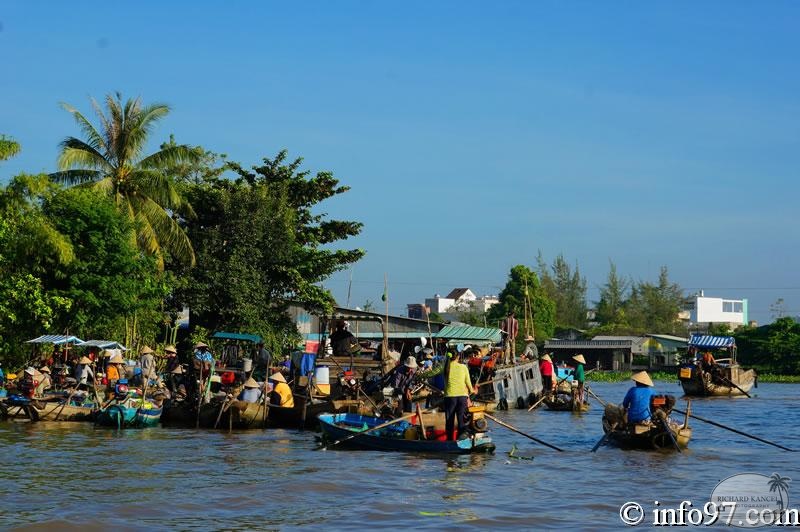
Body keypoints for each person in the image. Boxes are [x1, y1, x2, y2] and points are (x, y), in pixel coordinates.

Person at [444, 350, 477, 441]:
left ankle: (450, 441)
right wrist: (472, 391)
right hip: (462, 397)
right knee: (461, 421)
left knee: (449, 421)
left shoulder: (445, 367)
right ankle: (461, 440)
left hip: (449, 398)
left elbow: (431, 373)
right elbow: (468, 383)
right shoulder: (463, 367)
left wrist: (420, 376)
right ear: (458, 357)